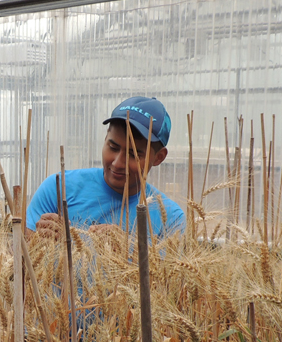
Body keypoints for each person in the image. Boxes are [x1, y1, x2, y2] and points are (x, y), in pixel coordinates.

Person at [26, 97, 185, 239]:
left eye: (133, 154)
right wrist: (35, 242)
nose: (117, 163)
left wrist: (129, 253)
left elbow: (170, 271)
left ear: (159, 157)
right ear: (105, 139)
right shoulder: (58, 188)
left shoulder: (171, 219)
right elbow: (15, 259)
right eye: (113, 147)